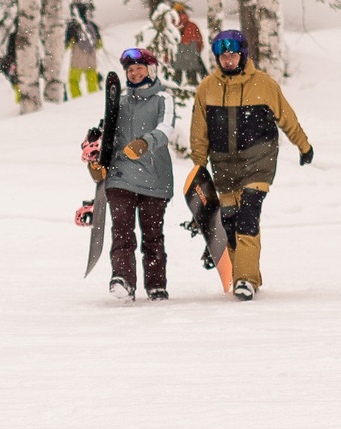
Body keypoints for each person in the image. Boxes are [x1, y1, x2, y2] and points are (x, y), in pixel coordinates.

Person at [187, 26, 312, 301]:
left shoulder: (264, 84)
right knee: (230, 223)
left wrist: (303, 146)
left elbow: (287, 117)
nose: (228, 60)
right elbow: (199, 132)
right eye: (223, 56)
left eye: (233, 55)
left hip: (258, 163)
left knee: (248, 217)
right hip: (223, 168)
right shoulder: (207, 88)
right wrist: (199, 168)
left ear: (242, 55)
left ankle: (245, 280)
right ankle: (244, 276)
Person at [90, 44, 173, 302]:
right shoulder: (121, 101)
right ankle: (123, 279)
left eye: (139, 68)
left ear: (151, 70)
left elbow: (166, 129)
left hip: (154, 177)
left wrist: (146, 142)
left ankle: (156, 285)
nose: (134, 73)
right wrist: (96, 162)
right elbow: (108, 138)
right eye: (130, 70)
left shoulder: (163, 99)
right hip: (121, 176)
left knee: (152, 235)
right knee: (122, 232)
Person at [66, 0, 103, 100]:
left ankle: (77, 99)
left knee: (73, 81)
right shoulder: (92, 26)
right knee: (92, 80)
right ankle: (93, 99)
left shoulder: (73, 26)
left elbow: (68, 44)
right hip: (91, 57)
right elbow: (99, 45)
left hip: (78, 57)